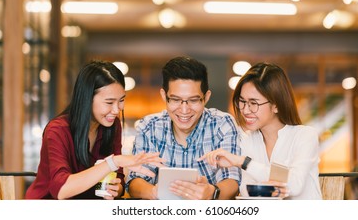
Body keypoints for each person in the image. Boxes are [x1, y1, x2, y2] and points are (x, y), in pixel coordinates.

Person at [25, 60, 163, 199]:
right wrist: (113, 162)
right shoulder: (57, 130)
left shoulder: (112, 126)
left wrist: (116, 189)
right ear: (87, 99)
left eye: (121, 100)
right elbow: (61, 190)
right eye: (109, 102)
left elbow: (118, 178)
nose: (116, 110)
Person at [198, 62, 322, 200]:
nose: (245, 110)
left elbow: (294, 184)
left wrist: (243, 162)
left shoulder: (305, 135)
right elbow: (246, 191)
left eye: (254, 103)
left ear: (276, 105)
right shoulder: (244, 140)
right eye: (242, 101)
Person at [126, 56, 241, 200]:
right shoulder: (150, 126)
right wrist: (154, 192)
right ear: (164, 96)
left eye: (193, 100)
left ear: (206, 97)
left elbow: (232, 180)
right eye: (175, 100)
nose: (184, 110)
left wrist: (212, 192)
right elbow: (135, 181)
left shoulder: (222, 124)